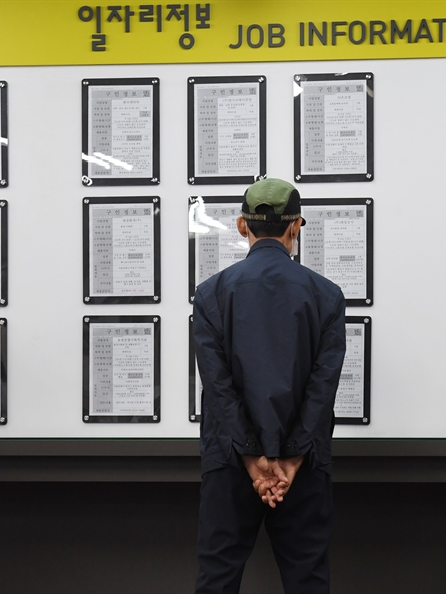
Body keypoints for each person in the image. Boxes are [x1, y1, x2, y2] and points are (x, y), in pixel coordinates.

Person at [192, 178, 346, 594]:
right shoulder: (327, 296)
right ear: (295, 227)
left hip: (229, 463)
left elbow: (218, 387)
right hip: (304, 466)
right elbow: (322, 387)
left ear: (243, 227)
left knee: (218, 578)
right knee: (307, 580)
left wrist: (250, 458)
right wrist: (291, 458)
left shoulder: (210, 295)